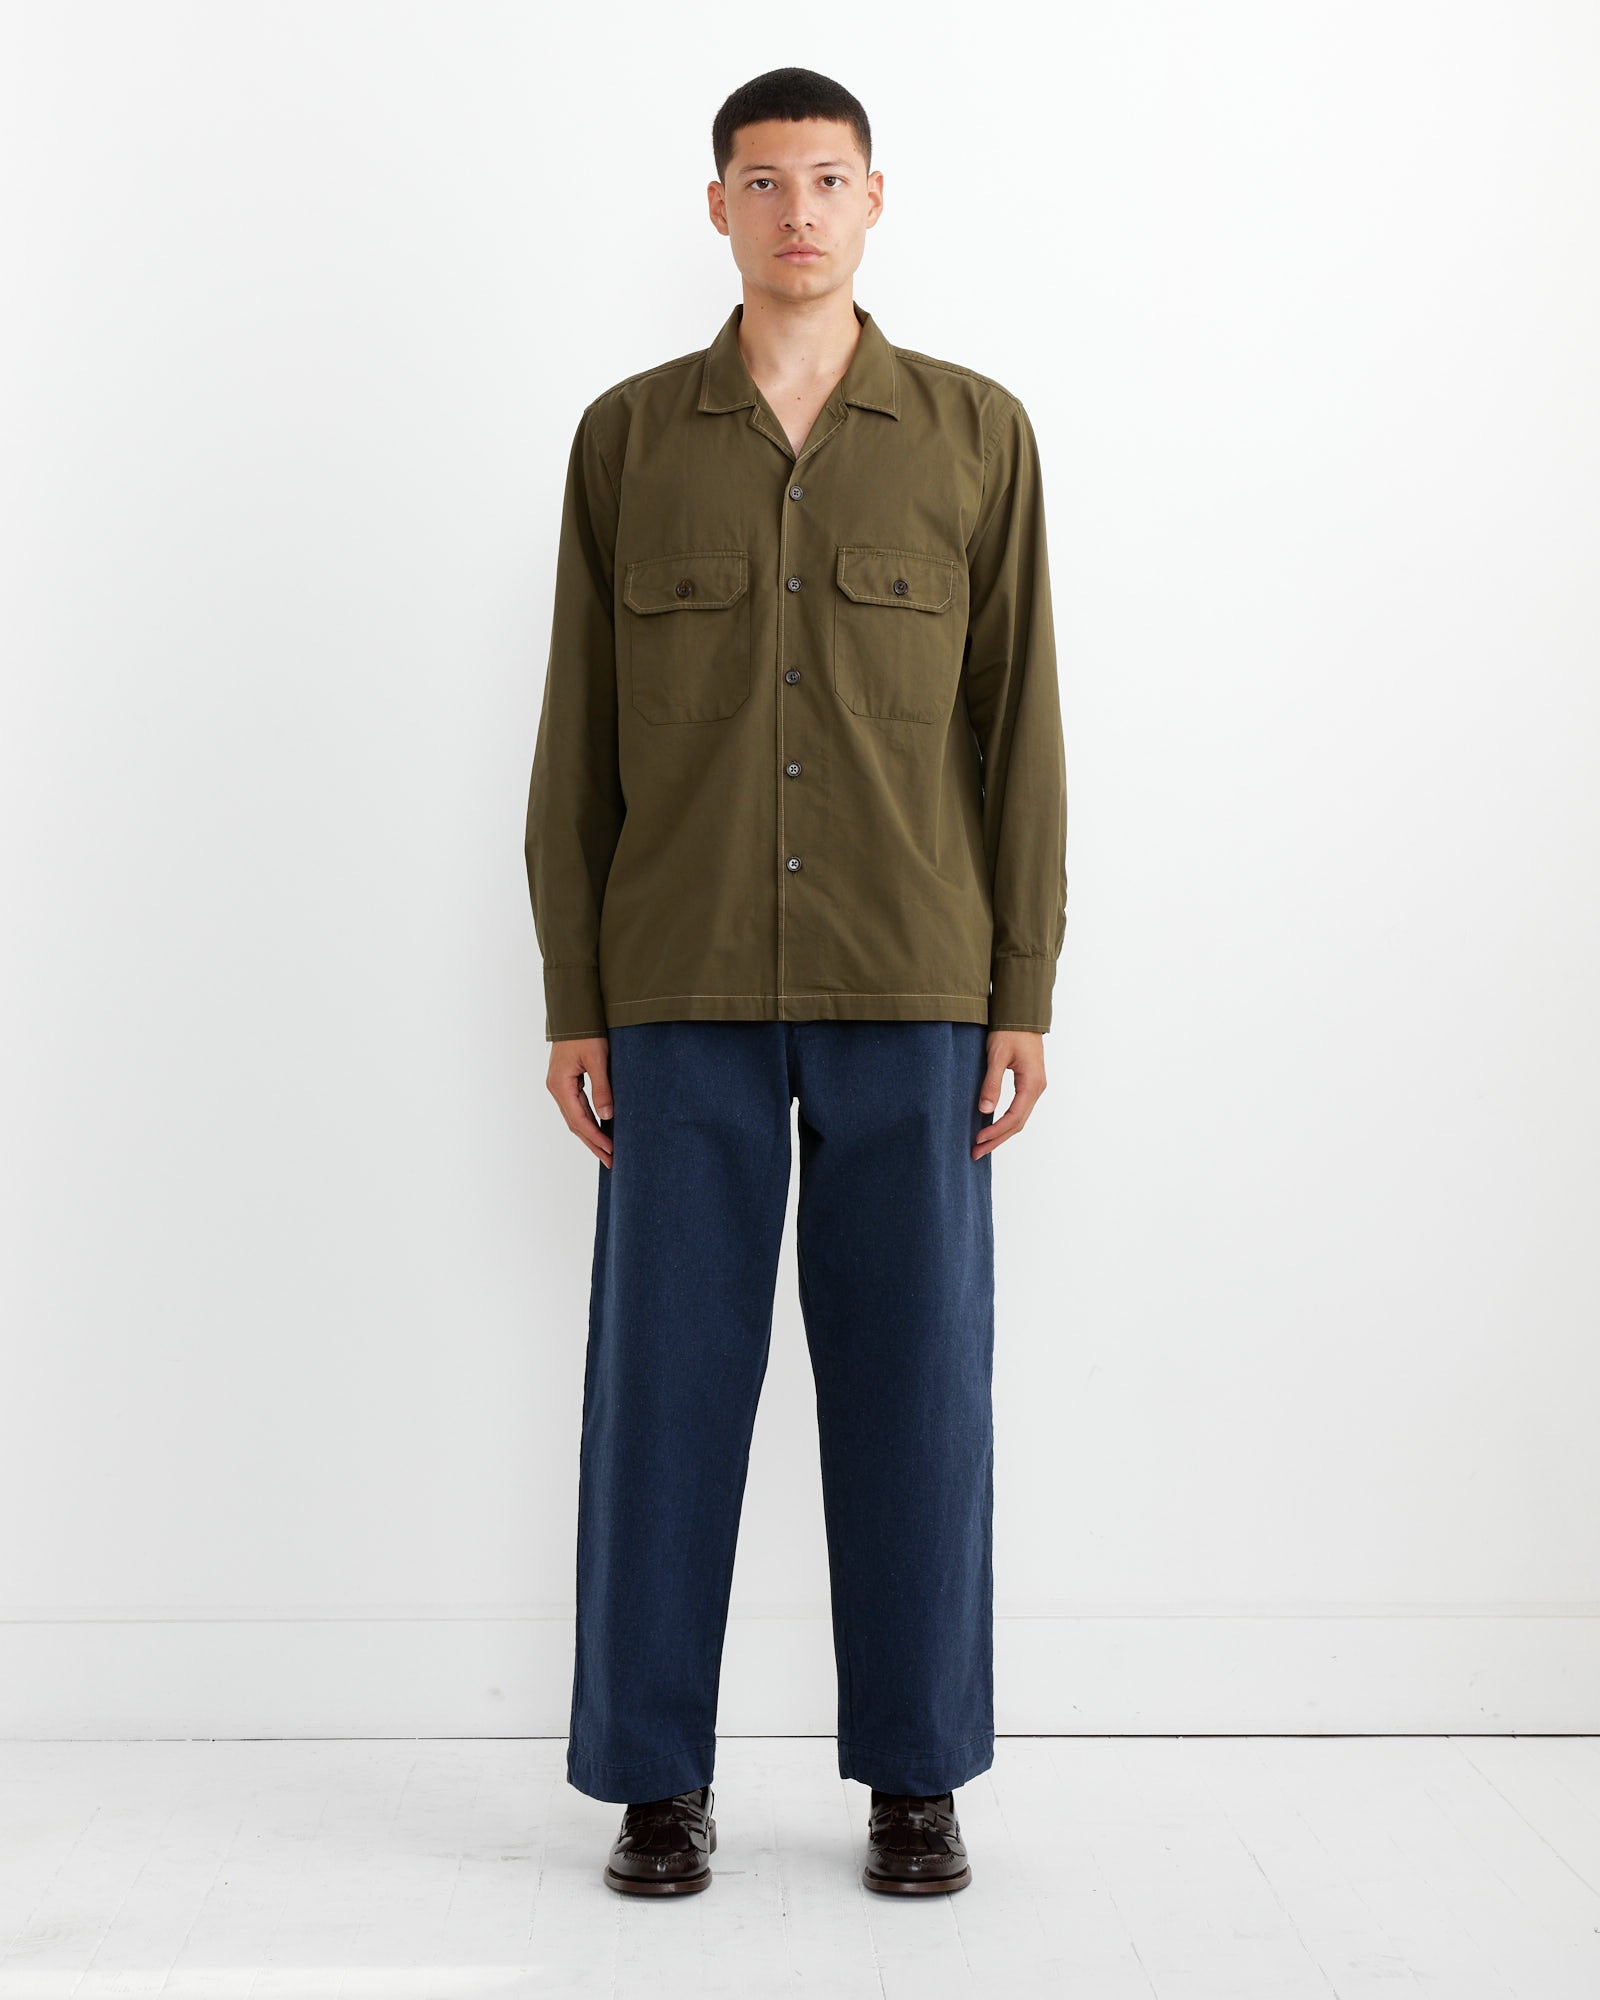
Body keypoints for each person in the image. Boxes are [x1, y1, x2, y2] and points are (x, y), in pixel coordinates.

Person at [523, 65, 1067, 1898]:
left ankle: (917, 1780)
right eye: (763, 182)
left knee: (917, 1389)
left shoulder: (977, 435)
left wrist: (1022, 983)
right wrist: (575, 989)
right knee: (663, 1390)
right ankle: (651, 1782)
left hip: (914, 978)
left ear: (875, 198)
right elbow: (577, 735)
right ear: (718, 208)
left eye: (828, 179)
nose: (798, 212)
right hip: (676, 981)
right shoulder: (627, 440)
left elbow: (1019, 729)